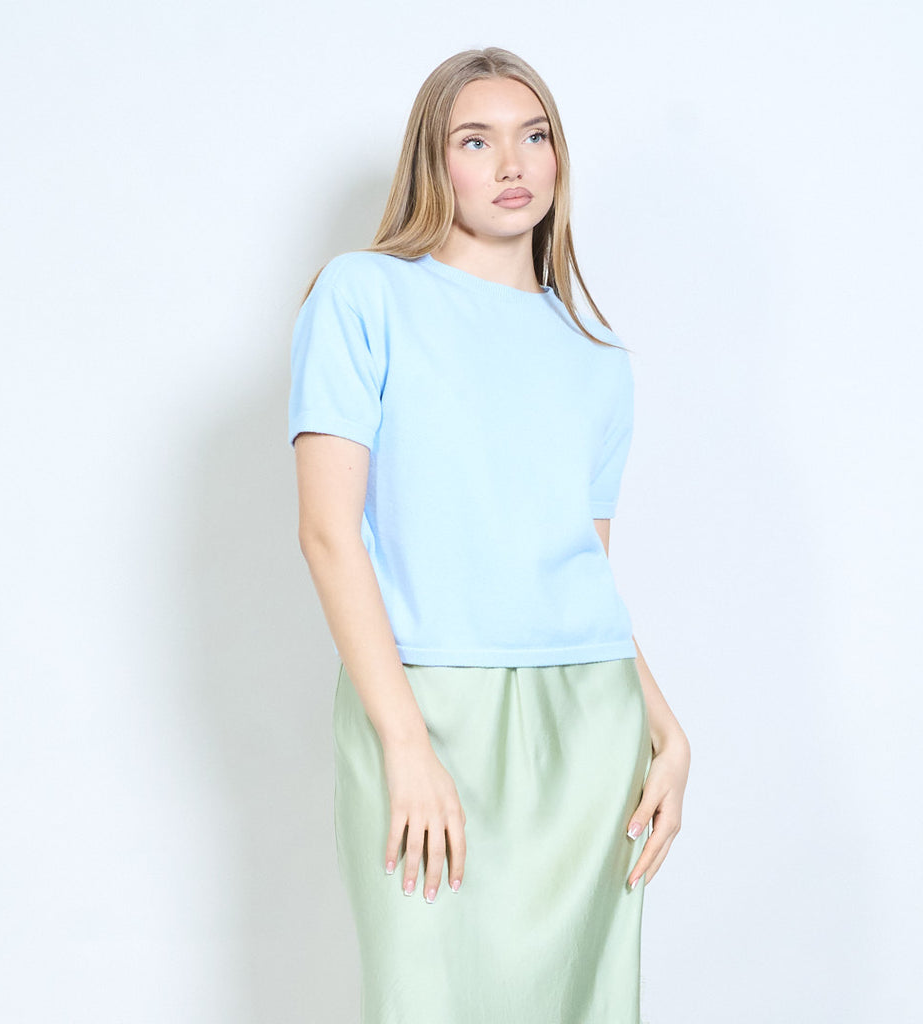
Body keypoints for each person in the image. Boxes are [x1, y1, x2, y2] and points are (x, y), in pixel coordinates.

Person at [288, 46, 691, 1024]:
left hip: (590, 718)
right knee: (422, 997)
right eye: (476, 140)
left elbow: (580, 563)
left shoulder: (598, 358)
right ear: (434, 163)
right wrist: (404, 742)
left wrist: (665, 727)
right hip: (426, 703)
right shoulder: (363, 295)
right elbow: (329, 535)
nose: (512, 163)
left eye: (533, 135)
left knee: (578, 1004)